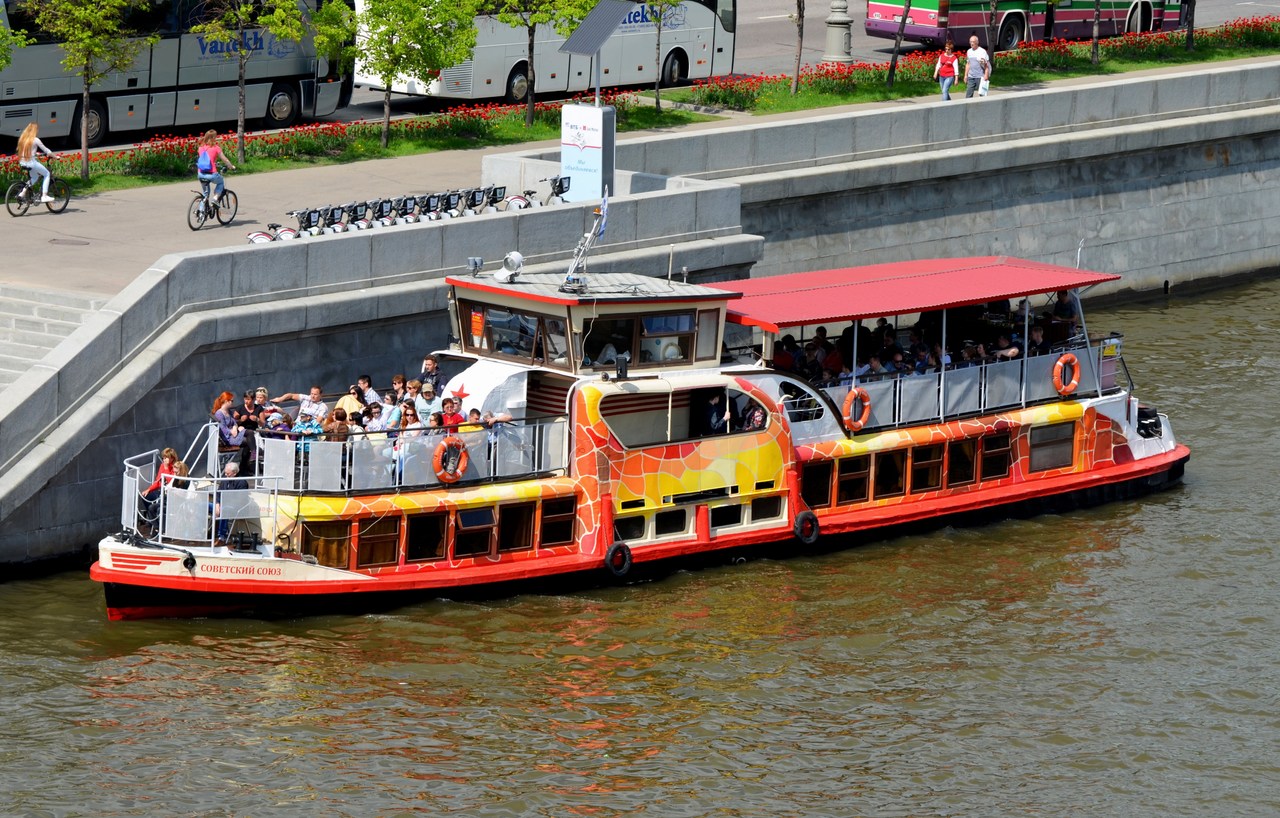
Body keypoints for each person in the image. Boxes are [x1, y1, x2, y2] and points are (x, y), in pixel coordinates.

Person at [16, 123, 56, 203]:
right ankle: (44, 196)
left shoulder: (23, 139)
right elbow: (46, 150)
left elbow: (27, 150)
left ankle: (22, 193)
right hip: (31, 162)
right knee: (47, 174)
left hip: (23, 162)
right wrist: (55, 156)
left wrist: (35, 153)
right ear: (34, 130)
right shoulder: (35, 139)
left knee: (34, 177)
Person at [214, 460, 248, 543]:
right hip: (222, 505)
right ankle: (201, 532)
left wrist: (222, 505)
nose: (225, 475)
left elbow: (239, 500)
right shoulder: (225, 481)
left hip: (236, 508)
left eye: (228, 474)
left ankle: (221, 536)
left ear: (234, 473)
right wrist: (217, 504)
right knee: (203, 505)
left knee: (225, 509)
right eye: (225, 473)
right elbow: (218, 494)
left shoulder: (242, 482)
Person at [195, 129, 236, 199]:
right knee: (221, 182)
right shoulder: (216, 148)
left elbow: (205, 160)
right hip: (212, 174)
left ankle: (200, 209)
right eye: (215, 137)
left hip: (201, 174)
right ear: (213, 138)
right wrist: (231, 166)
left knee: (205, 195)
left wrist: (214, 163)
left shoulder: (200, 148)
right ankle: (215, 199)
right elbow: (225, 160)